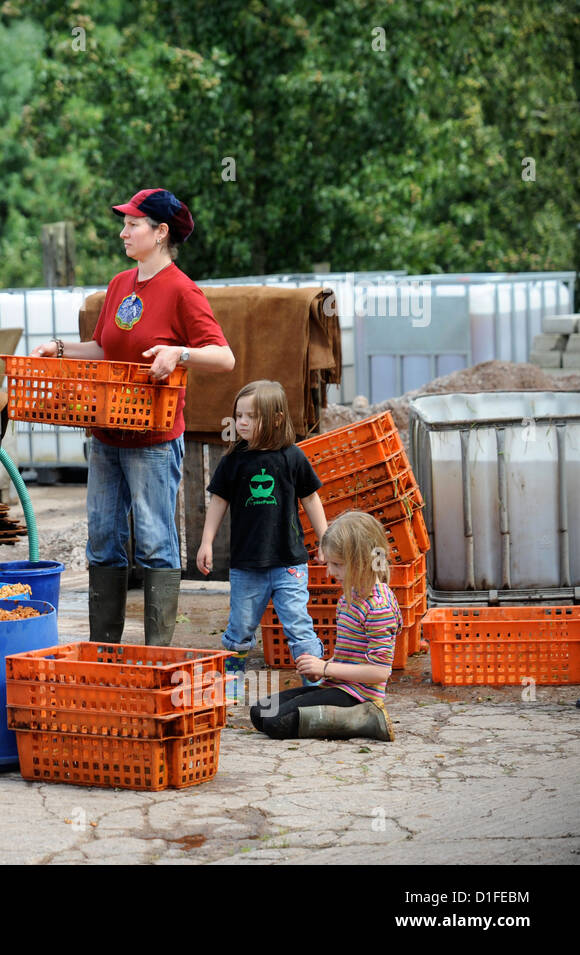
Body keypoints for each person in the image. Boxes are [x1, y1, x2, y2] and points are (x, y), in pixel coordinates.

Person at [31, 188, 234, 644]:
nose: (123, 232)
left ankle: (156, 652)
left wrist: (179, 353)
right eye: (124, 224)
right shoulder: (121, 284)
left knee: (155, 541)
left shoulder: (183, 290)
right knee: (102, 537)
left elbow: (224, 357)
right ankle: (106, 651)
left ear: (161, 233)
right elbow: (104, 348)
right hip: (107, 435)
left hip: (154, 440)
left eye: (133, 224)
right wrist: (60, 349)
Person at [198, 380, 328, 702]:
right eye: (239, 415)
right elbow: (218, 502)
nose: (241, 422)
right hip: (247, 566)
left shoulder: (292, 457)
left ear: (275, 418)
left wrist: (326, 540)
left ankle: (315, 683)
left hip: (290, 562)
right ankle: (231, 683)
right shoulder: (233, 461)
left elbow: (311, 499)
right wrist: (206, 542)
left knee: (298, 624)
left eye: (250, 416)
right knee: (240, 626)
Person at [248, 510, 399, 741]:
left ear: (362, 560)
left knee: (276, 723)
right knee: (260, 712)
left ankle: (367, 718)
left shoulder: (379, 607)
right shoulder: (349, 597)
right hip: (337, 685)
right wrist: (324, 665)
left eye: (337, 564)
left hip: (358, 695)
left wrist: (325, 668)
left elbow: (380, 671)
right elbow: (351, 656)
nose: (331, 572)